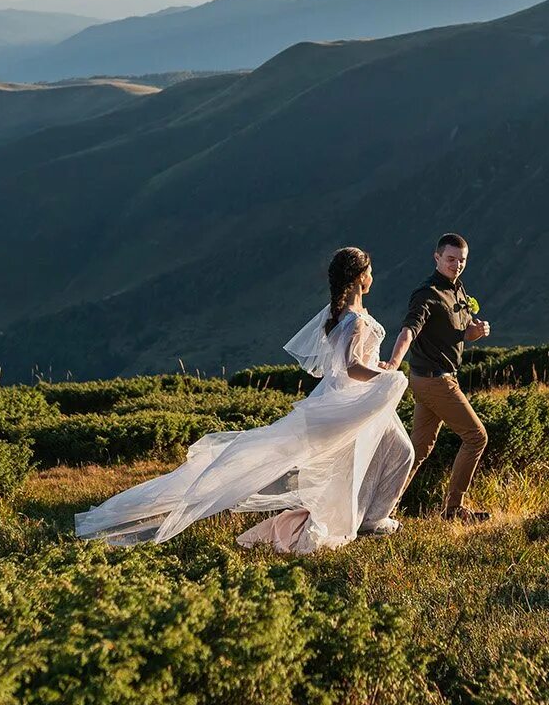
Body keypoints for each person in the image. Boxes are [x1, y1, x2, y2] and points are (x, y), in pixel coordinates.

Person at [73, 247, 415, 553]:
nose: (373, 276)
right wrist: (386, 375)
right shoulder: (353, 319)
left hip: (356, 400)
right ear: (358, 277)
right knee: (399, 451)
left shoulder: (339, 313)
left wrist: (378, 369)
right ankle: (372, 519)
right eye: (369, 271)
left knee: (384, 454)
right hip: (356, 401)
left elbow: (347, 365)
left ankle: (371, 517)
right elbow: (352, 367)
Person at [382, 232, 493, 523]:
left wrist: (476, 333)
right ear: (437, 258)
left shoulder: (458, 291)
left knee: (419, 449)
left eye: (461, 260)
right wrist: (394, 362)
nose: (456, 265)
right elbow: (409, 330)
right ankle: (454, 510)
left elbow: (462, 333)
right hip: (434, 380)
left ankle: (380, 512)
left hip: (436, 378)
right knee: (476, 437)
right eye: (450, 259)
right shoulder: (427, 293)